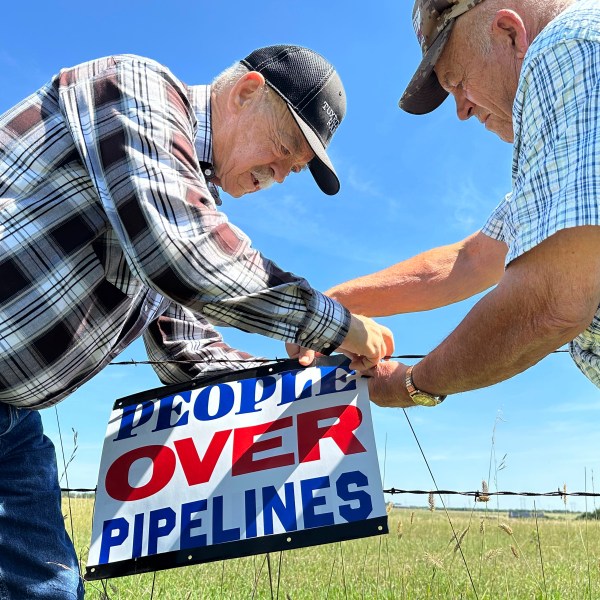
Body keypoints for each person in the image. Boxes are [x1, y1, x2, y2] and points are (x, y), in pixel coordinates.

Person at [0, 46, 393, 599]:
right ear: (246, 91)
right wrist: (338, 326)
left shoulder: (179, 199)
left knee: (47, 591)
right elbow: (185, 253)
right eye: (283, 150)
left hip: (11, 420)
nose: (278, 177)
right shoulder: (137, 88)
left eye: (293, 171)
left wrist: (317, 386)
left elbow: (192, 356)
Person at [310, 0, 600, 408]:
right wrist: (330, 305)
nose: (461, 111)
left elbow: (554, 299)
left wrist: (414, 384)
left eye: (457, 82)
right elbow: (471, 259)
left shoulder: (565, 46)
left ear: (510, 33)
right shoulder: (569, 150)